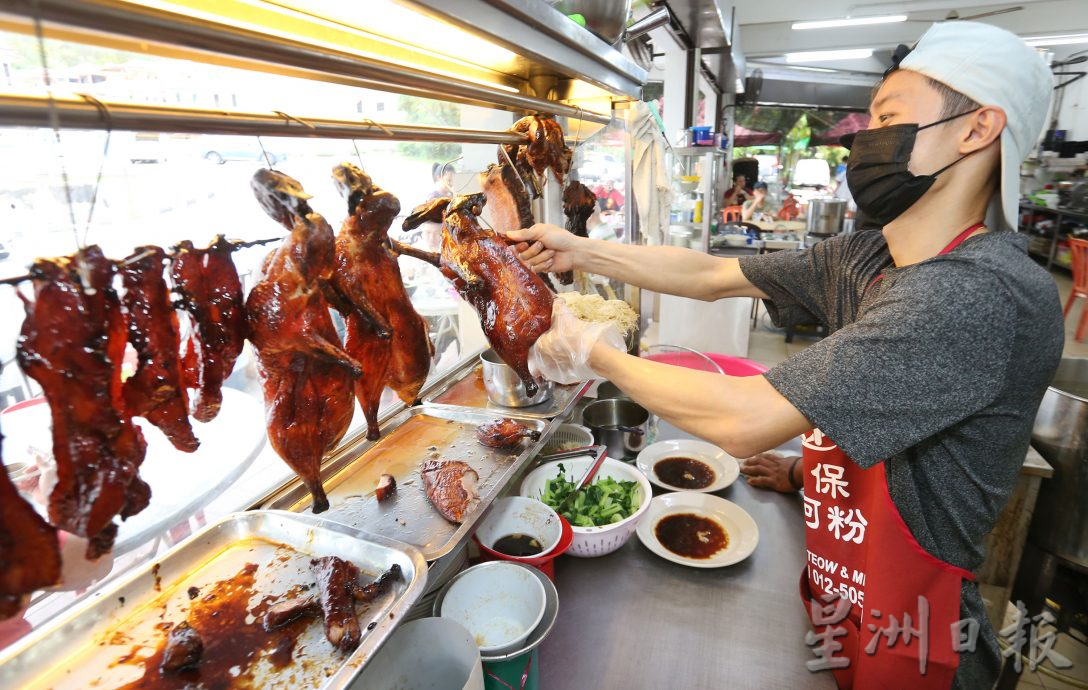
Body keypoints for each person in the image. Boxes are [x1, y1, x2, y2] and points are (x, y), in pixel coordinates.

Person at [509, 22, 1058, 690]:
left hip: (920, 637)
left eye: (888, 117)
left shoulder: (979, 297)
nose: (866, 140)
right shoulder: (871, 255)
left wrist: (593, 352)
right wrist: (584, 250)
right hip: (846, 593)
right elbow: (711, 275)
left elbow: (746, 418)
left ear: (977, 129)